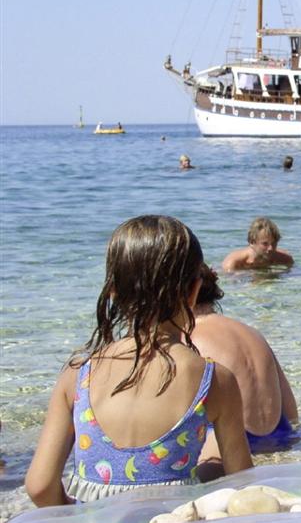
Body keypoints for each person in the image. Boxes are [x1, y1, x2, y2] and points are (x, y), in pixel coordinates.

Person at [25, 216, 252, 505]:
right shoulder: (214, 380)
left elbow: (39, 486)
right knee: (215, 468)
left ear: (114, 292)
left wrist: (78, 517)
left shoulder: (78, 375)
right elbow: (241, 487)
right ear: (194, 291)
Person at [190, 265, 298, 476]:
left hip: (234, 442)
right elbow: (291, 411)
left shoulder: (191, 337)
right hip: (281, 434)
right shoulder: (253, 332)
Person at [221, 217, 294, 272]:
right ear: (252, 242)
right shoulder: (234, 263)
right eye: (265, 244)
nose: (271, 248)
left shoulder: (285, 259)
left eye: (274, 243)